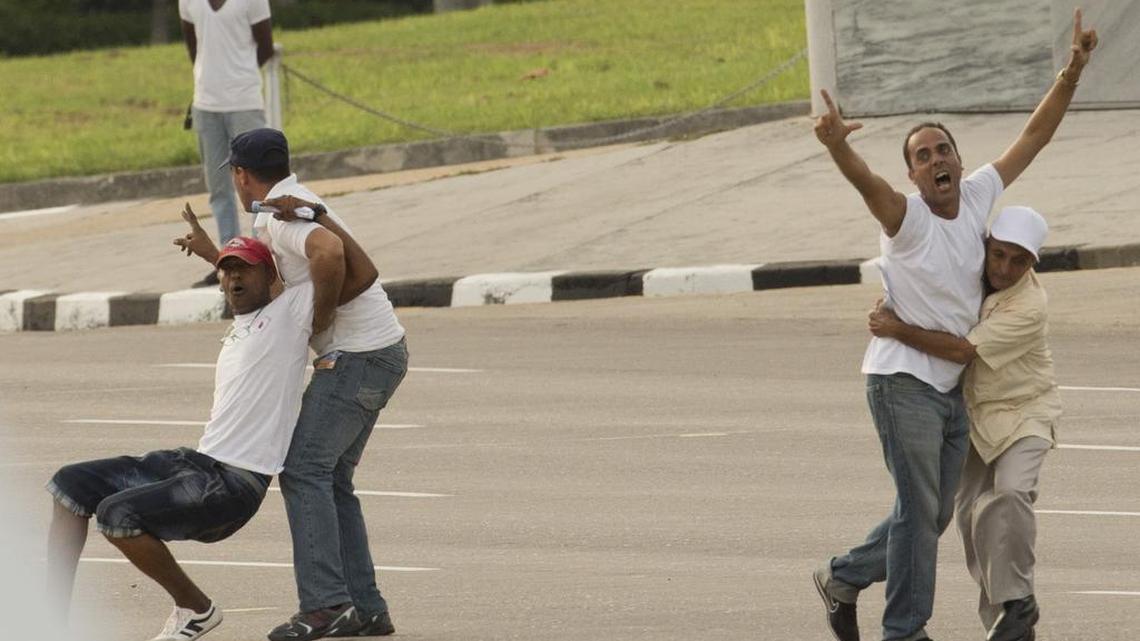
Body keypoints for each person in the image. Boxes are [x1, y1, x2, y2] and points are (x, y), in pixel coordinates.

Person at [810, 10, 1096, 641]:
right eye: (922, 156)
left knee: (930, 517)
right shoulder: (905, 219)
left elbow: (1033, 138)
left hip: (949, 389)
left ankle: (843, 576)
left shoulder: (975, 196)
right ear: (912, 175)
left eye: (943, 149)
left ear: (959, 160)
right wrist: (838, 147)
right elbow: (868, 186)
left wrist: (1072, 73)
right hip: (901, 382)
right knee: (919, 513)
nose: (935, 160)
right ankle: (905, 630)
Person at [46, 235, 310, 641]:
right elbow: (233, 273)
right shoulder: (243, 323)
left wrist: (308, 217)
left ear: (271, 275)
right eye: (227, 270)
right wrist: (214, 253)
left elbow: (342, 263)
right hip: (198, 462)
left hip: (234, 482)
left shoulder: (289, 314)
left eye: (245, 268)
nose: (234, 277)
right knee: (69, 483)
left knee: (118, 517)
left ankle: (196, 609)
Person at [220, 128, 408, 641]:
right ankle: (364, 609)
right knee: (329, 478)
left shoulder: (284, 216)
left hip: (358, 358)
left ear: (240, 174)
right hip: (379, 352)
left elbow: (330, 256)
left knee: (304, 472)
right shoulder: (288, 204)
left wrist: (321, 319)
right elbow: (283, 283)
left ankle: (325, 607)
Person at [868, 206, 1060, 641]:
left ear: (1033, 264)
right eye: (999, 255)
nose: (1005, 268)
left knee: (1009, 492)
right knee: (972, 522)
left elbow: (961, 351)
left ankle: (1018, 602)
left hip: (1024, 413)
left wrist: (894, 327)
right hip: (973, 419)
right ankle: (1005, 624)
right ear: (986, 246)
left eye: (1019, 261)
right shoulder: (973, 272)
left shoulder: (1029, 305)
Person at [179, 0, 275, 287]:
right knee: (219, 186)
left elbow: (265, 46)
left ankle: (266, 255)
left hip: (244, 101)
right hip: (206, 104)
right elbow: (193, 47)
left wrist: (239, 72)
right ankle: (229, 257)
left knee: (257, 181)